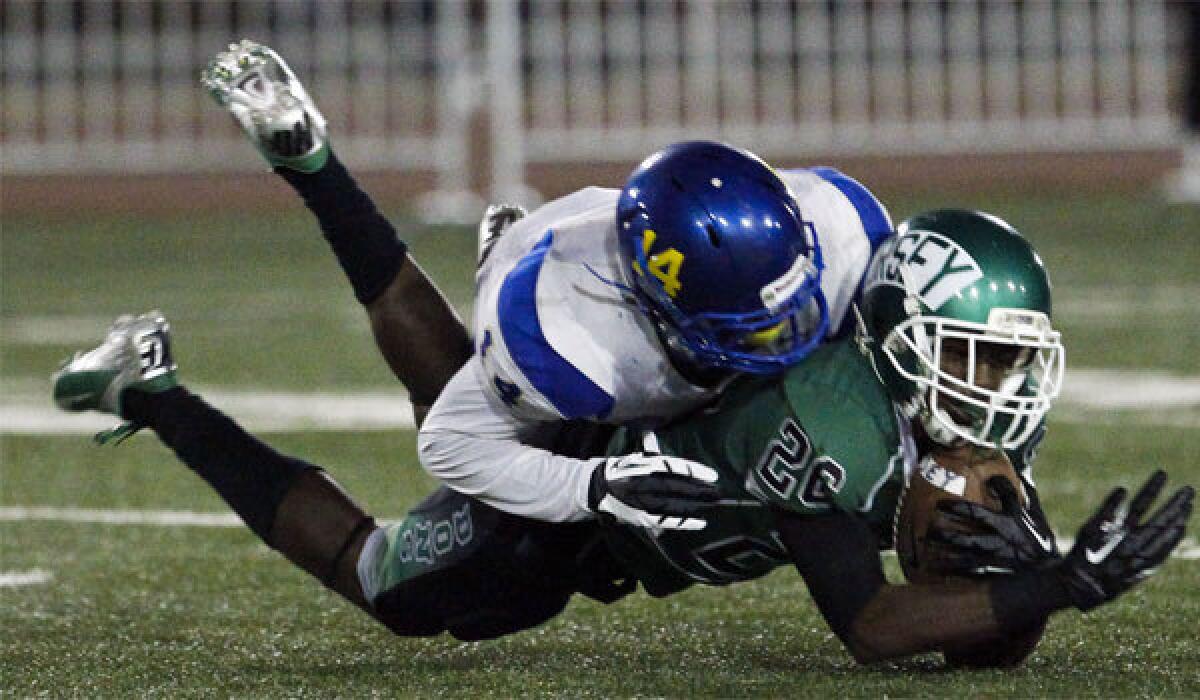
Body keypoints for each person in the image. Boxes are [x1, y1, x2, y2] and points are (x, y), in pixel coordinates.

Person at [52, 209, 1193, 664]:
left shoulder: (944, 414)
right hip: (595, 496)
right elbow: (877, 625)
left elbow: (981, 647)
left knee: (449, 400)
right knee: (393, 582)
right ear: (899, 334)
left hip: (652, 467)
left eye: (1008, 355)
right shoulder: (830, 424)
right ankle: (153, 393)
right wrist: (1067, 587)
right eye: (973, 351)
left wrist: (1040, 583)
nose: (992, 384)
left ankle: (385, 211)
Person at [200, 40, 893, 530]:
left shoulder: (841, 227)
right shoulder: (572, 340)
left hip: (624, 242)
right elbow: (449, 443)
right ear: (661, 305)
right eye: (759, 328)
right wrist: (589, 487)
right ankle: (316, 168)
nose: (789, 336)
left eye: (792, 305)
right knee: (444, 534)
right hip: (548, 269)